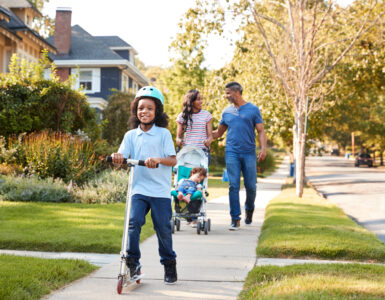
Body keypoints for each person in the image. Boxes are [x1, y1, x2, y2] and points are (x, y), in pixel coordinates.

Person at [111, 86, 178, 285]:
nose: (144, 112)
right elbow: (122, 157)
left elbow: (173, 160)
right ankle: (133, 264)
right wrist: (117, 157)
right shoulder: (131, 135)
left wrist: (158, 159)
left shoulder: (163, 134)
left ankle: (169, 263)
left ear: (157, 111)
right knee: (133, 223)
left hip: (160, 191)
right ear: (135, 110)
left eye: (149, 108)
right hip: (139, 189)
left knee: (163, 228)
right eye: (141, 108)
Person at [212, 82, 267, 231]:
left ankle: (249, 210)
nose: (226, 96)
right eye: (226, 93)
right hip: (232, 152)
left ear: (237, 92)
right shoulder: (226, 112)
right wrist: (199, 135)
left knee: (251, 186)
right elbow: (218, 133)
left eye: (228, 93)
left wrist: (263, 148)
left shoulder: (253, 109)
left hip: (249, 152)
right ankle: (235, 218)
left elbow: (261, 131)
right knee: (233, 185)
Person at [176, 89, 213, 162]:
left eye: (201, 99)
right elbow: (178, 138)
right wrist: (179, 141)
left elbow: (210, 136)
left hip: (202, 152)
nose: (201, 101)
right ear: (191, 102)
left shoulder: (206, 115)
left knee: (201, 173)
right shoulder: (182, 116)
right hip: (187, 152)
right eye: (198, 99)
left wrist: (208, 141)